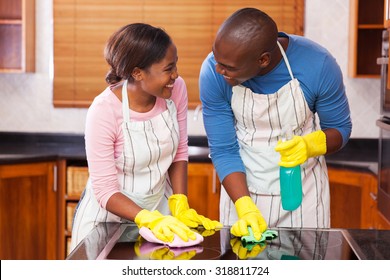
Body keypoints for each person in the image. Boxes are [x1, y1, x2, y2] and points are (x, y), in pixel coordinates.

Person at [199, 8, 352, 242]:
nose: (219, 70)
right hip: (241, 192)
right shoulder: (213, 70)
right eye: (217, 59)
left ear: (263, 60)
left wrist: (312, 144)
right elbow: (224, 149)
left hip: (303, 196)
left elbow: (340, 129)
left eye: (229, 68)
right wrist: (245, 207)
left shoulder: (318, 64)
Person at [71, 23, 221, 251]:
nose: (176, 74)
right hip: (107, 221)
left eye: (176, 64)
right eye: (168, 68)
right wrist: (146, 218)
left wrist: (179, 203)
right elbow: (105, 190)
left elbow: (180, 149)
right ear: (137, 73)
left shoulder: (175, 90)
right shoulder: (103, 110)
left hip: (160, 211)